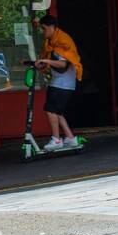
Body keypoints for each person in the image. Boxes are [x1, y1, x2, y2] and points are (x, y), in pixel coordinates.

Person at [35, 14, 83, 150]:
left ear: (52, 27)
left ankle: (56, 140)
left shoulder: (63, 41)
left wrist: (46, 61)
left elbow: (63, 64)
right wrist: (42, 64)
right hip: (58, 81)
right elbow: (50, 60)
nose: (43, 32)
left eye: (44, 29)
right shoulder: (51, 41)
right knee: (57, 112)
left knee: (50, 110)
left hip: (63, 83)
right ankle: (71, 139)